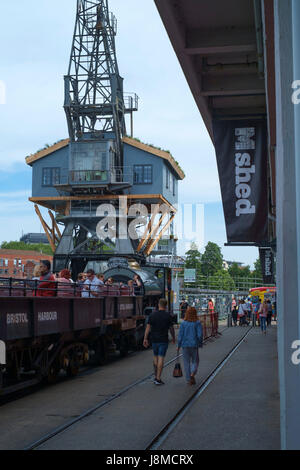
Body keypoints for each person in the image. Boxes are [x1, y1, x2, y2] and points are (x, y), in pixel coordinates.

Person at [143, 298, 175, 385]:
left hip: (154, 340)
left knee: (155, 357)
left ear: (158, 305)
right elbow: (171, 328)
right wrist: (173, 338)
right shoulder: (168, 315)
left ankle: (155, 376)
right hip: (163, 340)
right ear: (166, 305)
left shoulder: (152, 315)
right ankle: (158, 378)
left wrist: (145, 338)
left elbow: (148, 327)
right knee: (161, 358)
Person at [177, 307, 203, 385]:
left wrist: (178, 345)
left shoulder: (183, 323)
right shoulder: (197, 323)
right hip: (194, 345)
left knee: (186, 362)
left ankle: (188, 379)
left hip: (185, 345)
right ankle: (192, 373)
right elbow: (200, 335)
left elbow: (180, 335)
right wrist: (200, 343)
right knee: (195, 361)